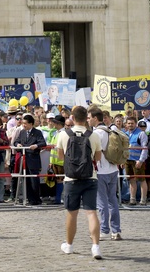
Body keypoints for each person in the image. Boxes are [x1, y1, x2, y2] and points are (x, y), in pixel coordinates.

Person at [57, 105, 103, 260]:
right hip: (90, 177)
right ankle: (96, 247)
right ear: (86, 118)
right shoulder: (93, 135)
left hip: (71, 179)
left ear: (73, 118)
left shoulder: (64, 134)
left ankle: (69, 245)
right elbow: (97, 158)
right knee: (91, 212)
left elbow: (60, 156)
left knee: (72, 213)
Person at [88, 106, 122, 241]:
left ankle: (104, 230)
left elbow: (93, 154)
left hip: (101, 170)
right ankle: (116, 230)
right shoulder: (110, 129)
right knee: (112, 200)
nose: (88, 120)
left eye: (90, 118)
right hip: (113, 168)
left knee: (102, 202)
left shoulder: (96, 134)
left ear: (95, 119)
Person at [12, 114, 46, 205]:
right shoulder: (22, 132)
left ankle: (36, 199)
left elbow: (43, 143)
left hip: (33, 160)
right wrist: (17, 144)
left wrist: (36, 146)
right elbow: (16, 141)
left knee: (34, 180)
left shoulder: (37, 132)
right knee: (26, 181)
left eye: (25, 123)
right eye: (23, 123)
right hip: (24, 160)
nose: (24, 125)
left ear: (31, 124)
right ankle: (30, 199)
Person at [124, 117, 149, 205]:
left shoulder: (141, 134)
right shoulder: (125, 134)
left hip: (137, 161)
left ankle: (143, 200)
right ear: (126, 124)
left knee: (141, 180)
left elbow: (144, 148)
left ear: (135, 124)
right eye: (129, 123)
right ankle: (132, 199)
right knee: (131, 180)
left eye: (132, 123)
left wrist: (141, 160)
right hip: (128, 160)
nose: (130, 125)